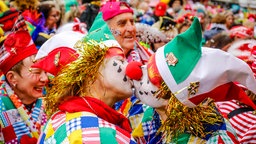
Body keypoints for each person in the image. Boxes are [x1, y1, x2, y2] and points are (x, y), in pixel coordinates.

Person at [126, 17, 256, 143]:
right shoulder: (153, 112)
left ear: (174, 101)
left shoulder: (214, 140)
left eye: (151, 79)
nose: (134, 72)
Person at [38, 16, 136, 143]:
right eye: (120, 62)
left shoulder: (60, 117)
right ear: (91, 72)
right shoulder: (98, 134)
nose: (129, 67)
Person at [95, 1, 163, 143]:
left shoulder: (150, 59)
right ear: (106, 29)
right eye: (122, 23)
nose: (131, 28)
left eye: (132, 22)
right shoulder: (93, 65)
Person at [0, 30, 48, 143]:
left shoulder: (49, 103)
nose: (45, 79)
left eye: (45, 71)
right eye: (36, 72)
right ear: (12, 78)